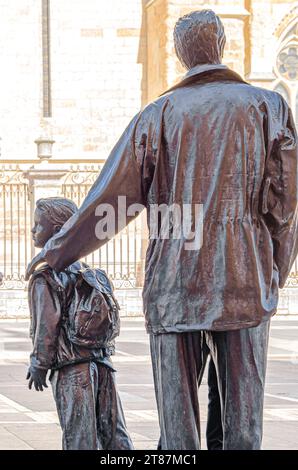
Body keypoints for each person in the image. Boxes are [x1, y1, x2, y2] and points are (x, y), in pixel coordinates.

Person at [26, 10, 298, 449]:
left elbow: (111, 201)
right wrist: (273, 274)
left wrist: (58, 250)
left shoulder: (157, 116)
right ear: (223, 45)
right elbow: (286, 206)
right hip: (246, 281)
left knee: (178, 433)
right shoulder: (270, 108)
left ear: (179, 54)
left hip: (174, 286)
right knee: (244, 430)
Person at [26, 197, 133, 450]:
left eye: (38, 225)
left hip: (73, 370)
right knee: (115, 438)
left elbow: (46, 328)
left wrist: (39, 364)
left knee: (80, 440)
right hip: (102, 364)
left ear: (55, 231)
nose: (32, 230)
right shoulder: (86, 271)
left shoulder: (46, 277)